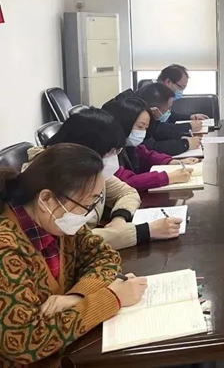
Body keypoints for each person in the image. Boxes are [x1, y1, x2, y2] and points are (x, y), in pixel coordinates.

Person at [0, 144, 147, 366]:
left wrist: (77, 296)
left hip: (69, 351)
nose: (87, 214)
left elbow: (105, 256)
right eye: (85, 204)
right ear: (47, 199)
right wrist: (112, 298)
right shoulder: (6, 247)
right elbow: (23, 342)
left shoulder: (57, 222)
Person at [45, 109, 183, 248]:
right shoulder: (50, 179)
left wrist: (119, 218)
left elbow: (127, 192)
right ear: (89, 149)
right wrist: (144, 232)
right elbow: (68, 242)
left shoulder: (88, 171)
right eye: (110, 152)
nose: (113, 158)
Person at [103, 97, 199, 193]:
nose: (142, 132)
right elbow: (124, 182)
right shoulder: (108, 149)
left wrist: (172, 162)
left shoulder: (129, 145)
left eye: (145, 128)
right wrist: (168, 177)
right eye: (140, 126)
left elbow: (147, 155)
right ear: (124, 123)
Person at [136, 83, 202, 156]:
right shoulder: (137, 121)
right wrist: (185, 144)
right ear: (154, 110)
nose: (169, 112)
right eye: (168, 109)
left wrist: (181, 136)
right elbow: (152, 148)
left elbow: (159, 131)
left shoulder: (144, 113)